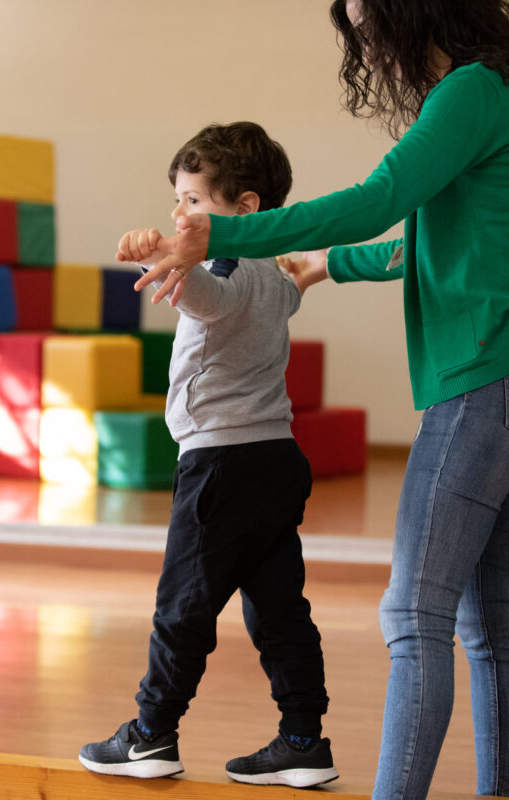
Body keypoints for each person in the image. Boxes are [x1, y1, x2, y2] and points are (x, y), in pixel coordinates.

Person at [119, 2, 509, 797]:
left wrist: (217, 236)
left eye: (370, 22)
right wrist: (329, 265)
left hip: (493, 377)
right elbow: (427, 244)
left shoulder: (471, 89)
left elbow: (378, 200)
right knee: (488, 622)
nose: (365, 42)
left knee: (414, 615)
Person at [78, 121, 338, 789]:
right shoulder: (274, 275)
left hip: (221, 466)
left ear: (244, 209)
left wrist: (169, 261)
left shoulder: (225, 271)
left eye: (193, 201)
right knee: (279, 609)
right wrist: (187, 256)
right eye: (177, 200)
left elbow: (211, 299)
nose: (179, 214)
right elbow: (276, 296)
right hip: (276, 460)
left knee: (183, 606)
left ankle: (151, 734)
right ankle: (303, 739)